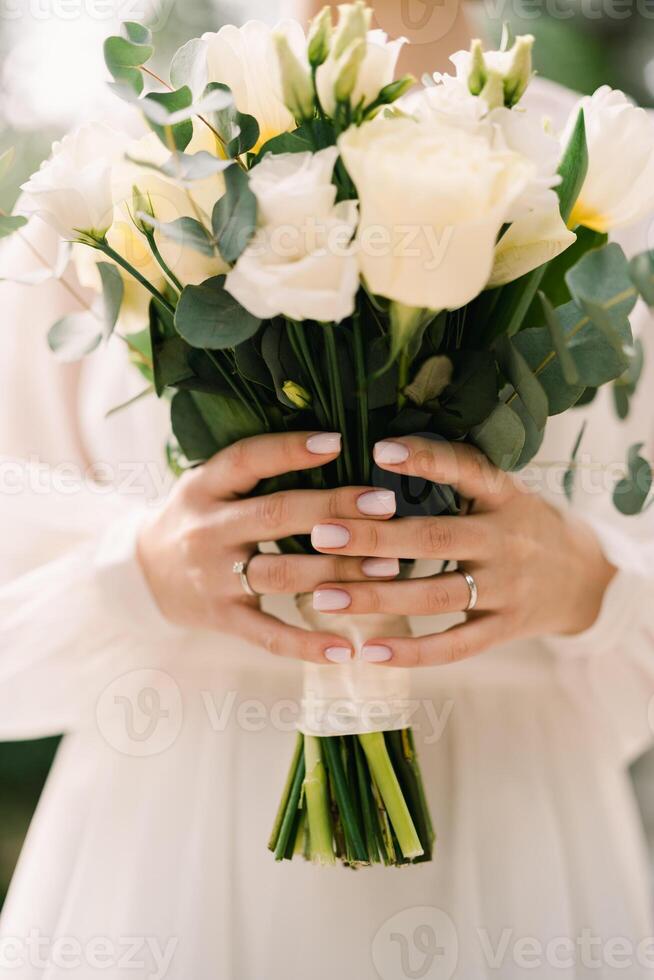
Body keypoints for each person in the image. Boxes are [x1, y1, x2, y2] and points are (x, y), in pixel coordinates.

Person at [1, 5, 654, 979]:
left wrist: (592, 586)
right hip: (167, 854)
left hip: (516, 847)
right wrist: (134, 572)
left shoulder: (615, 175)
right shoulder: (118, 179)